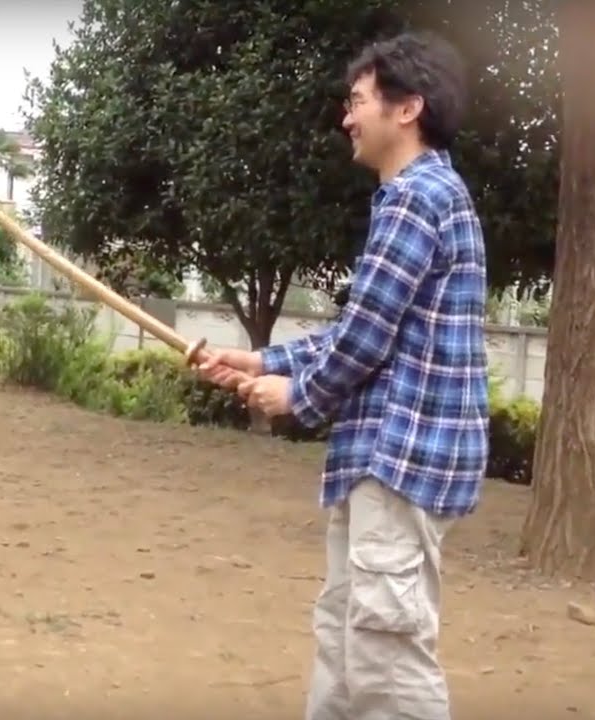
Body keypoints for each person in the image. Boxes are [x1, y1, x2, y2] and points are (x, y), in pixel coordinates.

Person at [199, 31, 487, 720]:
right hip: (378, 462)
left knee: (387, 660)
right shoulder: (416, 198)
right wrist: (264, 361)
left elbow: (363, 340)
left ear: (407, 108)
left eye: (357, 101)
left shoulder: (419, 197)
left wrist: (296, 395)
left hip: (400, 461)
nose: (346, 117)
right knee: (345, 640)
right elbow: (367, 330)